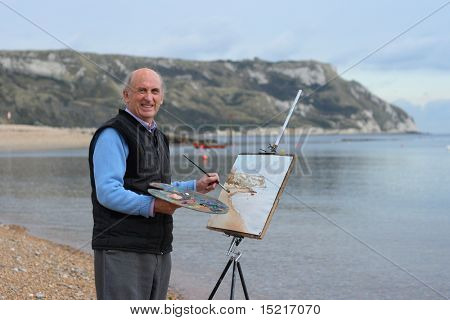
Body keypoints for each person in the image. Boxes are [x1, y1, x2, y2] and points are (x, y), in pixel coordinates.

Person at [88, 68, 219, 300]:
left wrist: (195, 187)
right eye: (142, 90)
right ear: (126, 95)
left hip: (158, 248)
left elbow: (157, 187)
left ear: (162, 98)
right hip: (122, 248)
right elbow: (107, 192)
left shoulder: (158, 136)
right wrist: (154, 206)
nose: (149, 97)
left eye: (154, 91)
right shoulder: (113, 134)